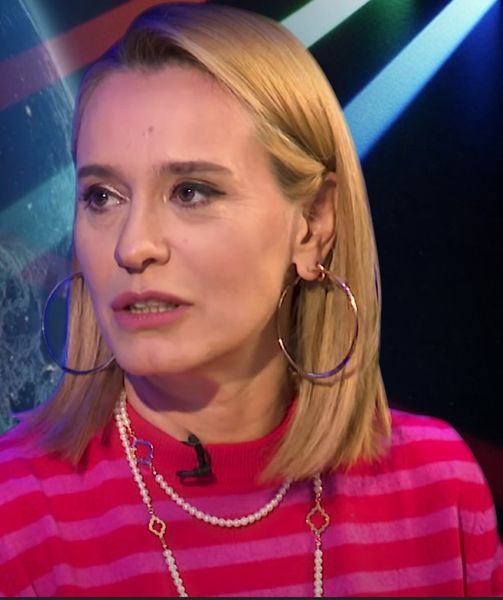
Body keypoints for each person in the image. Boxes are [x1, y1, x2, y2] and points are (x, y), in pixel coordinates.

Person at [0, 2, 501, 597]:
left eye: (191, 191)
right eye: (102, 196)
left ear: (312, 225)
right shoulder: (16, 513)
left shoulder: (439, 489)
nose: (132, 247)